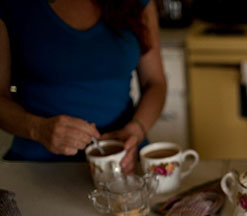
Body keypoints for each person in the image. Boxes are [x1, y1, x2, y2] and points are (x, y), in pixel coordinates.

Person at [0, 0, 167, 174]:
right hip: (37, 168)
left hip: (123, 160)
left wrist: (136, 130)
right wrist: (38, 129)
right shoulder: (13, 5)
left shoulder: (139, 3)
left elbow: (155, 82)